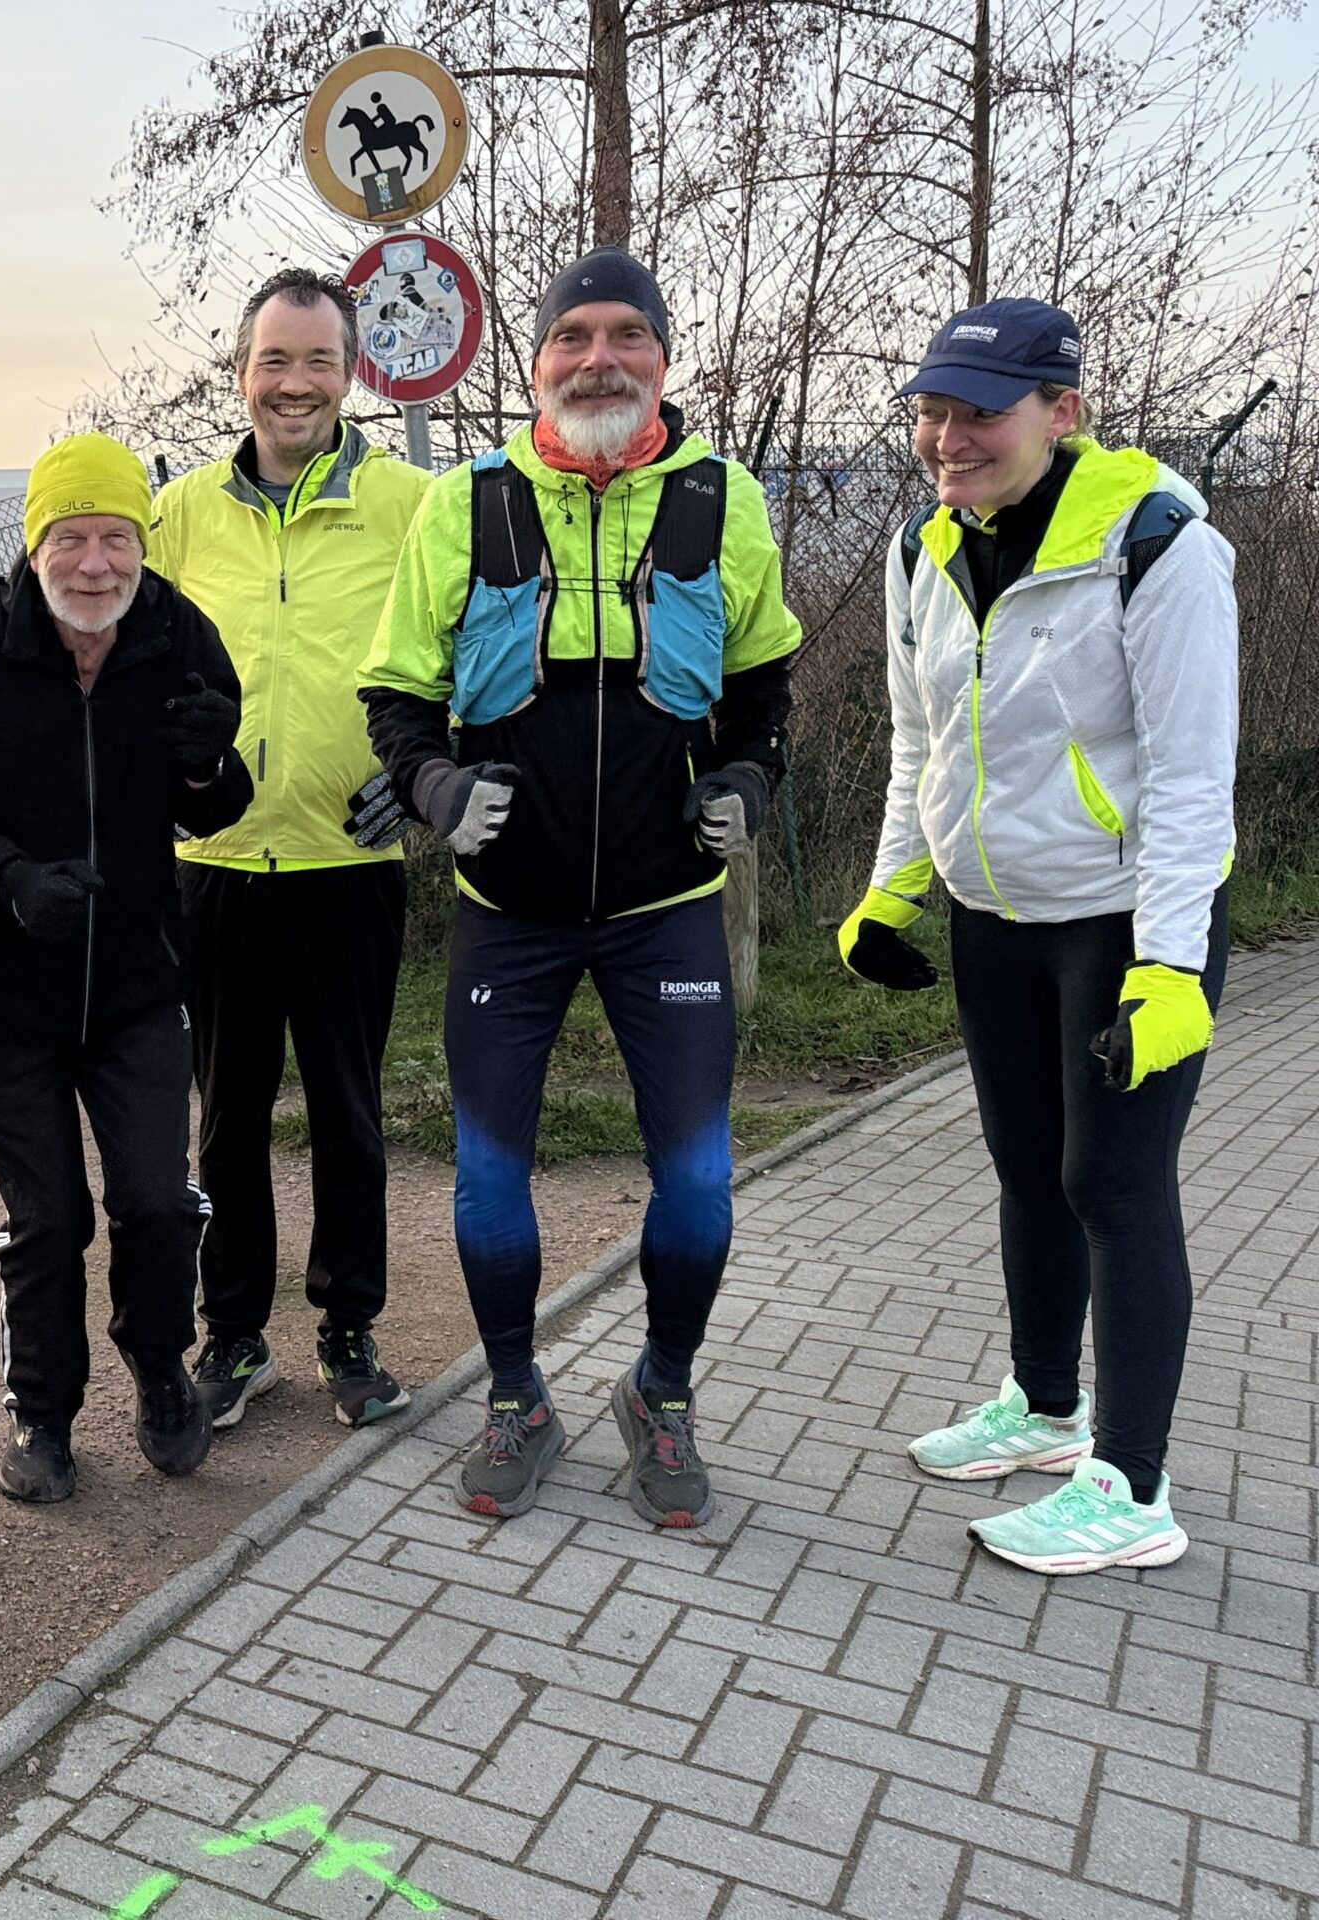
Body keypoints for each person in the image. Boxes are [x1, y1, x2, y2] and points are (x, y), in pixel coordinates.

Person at [360, 246, 801, 1530]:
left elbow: (763, 689)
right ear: (537, 358)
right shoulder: (468, 502)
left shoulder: (723, 500)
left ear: (662, 356)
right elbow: (397, 692)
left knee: (700, 1184)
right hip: (511, 918)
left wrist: (749, 779)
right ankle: (516, 1397)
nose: (598, 359)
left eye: (624, 336)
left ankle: (661, 1392)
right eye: (572, 337)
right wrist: (435, 786)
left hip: (668, 910)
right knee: (486, 1184)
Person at [842, 299, 1236, 1576]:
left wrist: (1168, 968)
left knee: (1114, 1187)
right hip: (993, 916)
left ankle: (1130, 1487)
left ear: (1061, 412)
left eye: (981, 413)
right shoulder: (922, 549)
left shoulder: (1156, 544)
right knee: (1027, 1171)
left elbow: (1190, 779)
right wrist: (892, 890)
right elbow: (920, 742)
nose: (947, 438)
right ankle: (1046, 1408)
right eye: (932, 412)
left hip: (1121, 924)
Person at [0, 433, 252, 1503]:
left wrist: (210, 762)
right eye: (71, 538)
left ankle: (160, 1368)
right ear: (34, 542)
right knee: (49, 1217)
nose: (95, 564)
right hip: (5, 994)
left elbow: (214, 808)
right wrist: (9, 881)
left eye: (116, 538)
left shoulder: (180, 633)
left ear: (141, 542)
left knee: (155, 1202)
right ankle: (42, 1415)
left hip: (139, 983)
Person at [148, 268, 430, 1433]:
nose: (295, 382)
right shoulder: (179, 514)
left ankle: (348, 1328)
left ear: (352, 374)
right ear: (241, 374)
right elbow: (131, 664)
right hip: (213, 869)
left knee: (347, 1115)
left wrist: (424, 774)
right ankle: (235, 1334)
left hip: (348, 868)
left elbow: (470, 650)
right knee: (225, 1118)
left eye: (318, 360)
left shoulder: (413, 504)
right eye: (274, 360)